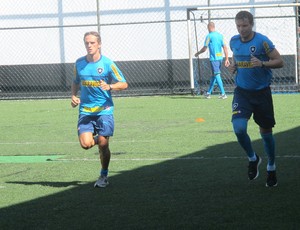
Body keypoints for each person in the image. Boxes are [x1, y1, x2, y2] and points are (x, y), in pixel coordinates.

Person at [228, 11, 283, 187]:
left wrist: (263, 63)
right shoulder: (233, 41)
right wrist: (234, 65)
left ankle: (271, 166)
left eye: (244, 25)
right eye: (238, 26)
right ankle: (253, 158)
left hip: (262, 93)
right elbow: (237, 56)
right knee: (239, 128)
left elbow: (280, 61)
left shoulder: (262, 41)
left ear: (251, 25)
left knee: (266, 134)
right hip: (242, 92)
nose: (241, 29)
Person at [71, 31, 128, 188]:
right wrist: (73, 96)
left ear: (99, 44)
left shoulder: (108, 64)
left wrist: (110, 86)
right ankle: (100, 138)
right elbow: (75, 81)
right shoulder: (79, 63)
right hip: (86, 111)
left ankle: (103, 175)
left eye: (92, 43)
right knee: (85, 144)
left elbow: (124, 83)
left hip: (104, 110)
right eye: (86, 43)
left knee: (103, 145)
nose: (89, 45)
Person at [195, 22, 230, 99]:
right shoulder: (220, 36)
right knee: (214, 75)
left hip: (214, 59)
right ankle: (208, 93)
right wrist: (227, 58)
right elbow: (225, 47)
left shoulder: (209, 36)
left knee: (217, 75)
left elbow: (205, 48)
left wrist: (198, 53)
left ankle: (223, 93)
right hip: (220, 58)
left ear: (208, 28)